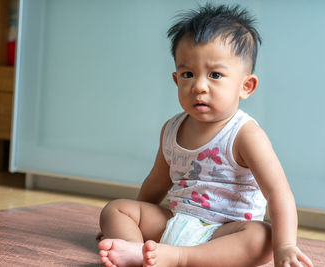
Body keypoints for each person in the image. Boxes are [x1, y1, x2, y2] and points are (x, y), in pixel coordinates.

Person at [97, 3, 313, 267]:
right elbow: (156, 183)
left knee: (263, 237)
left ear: (246, 86)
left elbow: (279, 192)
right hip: (175, 221)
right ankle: (139, 250)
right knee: (116, 210)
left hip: (224, 233)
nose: (199, 86)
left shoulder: (245, 134)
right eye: (188, 74)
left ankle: (177, 259)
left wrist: (286, 245)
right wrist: (136, 222)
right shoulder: (171, 129)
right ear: (176, 80)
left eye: (215, 75)